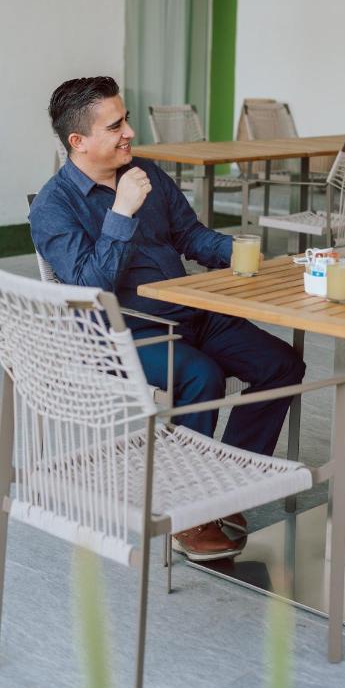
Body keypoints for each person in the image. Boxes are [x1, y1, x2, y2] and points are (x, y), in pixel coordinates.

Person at [29, 76, 305, 562]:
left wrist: (248, 254)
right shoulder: (54, 206)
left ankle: (226, 483)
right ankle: (188, 512)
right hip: (119, 330)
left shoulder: (147, 173)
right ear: (80, 141)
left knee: (280, 364)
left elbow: (191, 236)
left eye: (126, 119)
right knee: (201, 376)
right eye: (115, 126)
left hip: (188, 312)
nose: (129, 132)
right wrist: (121, 211)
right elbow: (88, 291)